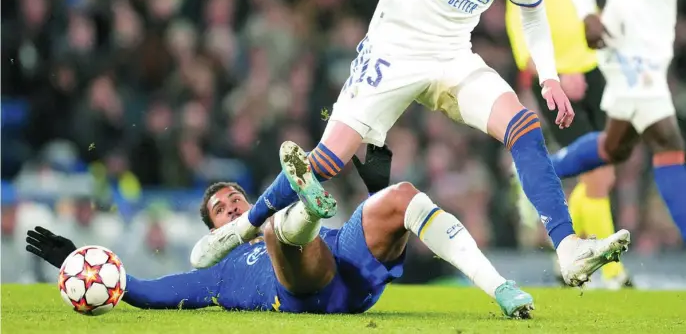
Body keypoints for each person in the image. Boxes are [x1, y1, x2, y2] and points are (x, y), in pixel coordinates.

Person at [203, 0, 630, 287]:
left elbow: (532, 14)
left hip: (452, 56)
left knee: (524, 127)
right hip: (393, 51)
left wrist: (549, 78)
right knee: (328, 161)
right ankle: (243, 228)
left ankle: (569, 248)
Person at [26, 145, 535, 318]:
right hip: (302, 289)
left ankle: (501, 289)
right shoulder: (215, 276)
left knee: (401, 194)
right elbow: (141, 291)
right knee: (278, 235)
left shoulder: (229, 252)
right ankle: (302, 203)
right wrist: (78, 257)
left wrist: (375, 195)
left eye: (234, 201)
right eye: (222, 210)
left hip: (347, 268)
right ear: (213, 229)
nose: (230, 206)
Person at [539, 0, 686, 242]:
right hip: (621, 42)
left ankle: (542, 171)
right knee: (668, 140)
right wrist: (588, 13)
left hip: (657, 44)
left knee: (614, 147)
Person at [504, 0, 630, 287]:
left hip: (597, 76)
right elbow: (523, 46)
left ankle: (567, 258)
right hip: (558, 83)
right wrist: (557, 74)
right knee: (597, 176)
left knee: (604, 176)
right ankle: (613, 275)